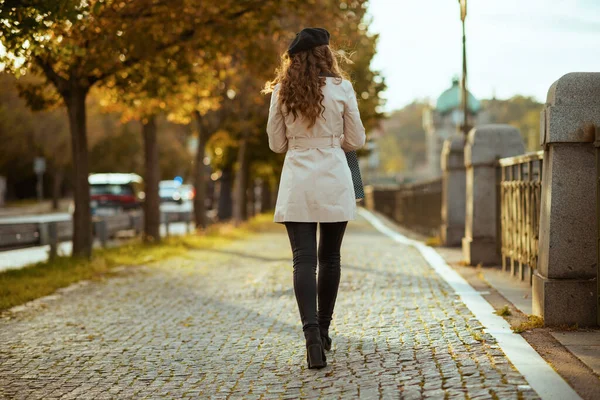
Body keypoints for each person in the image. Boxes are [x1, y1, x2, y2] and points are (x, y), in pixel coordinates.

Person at [263, 27, 366, 369]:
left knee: (303, 260)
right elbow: (356, 140)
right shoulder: (342, 89)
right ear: (327, 55)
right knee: (331, 257)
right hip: (334, 178)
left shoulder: (281, 92)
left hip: (298, 181)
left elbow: (277, 145)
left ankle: (310, 340)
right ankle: (323, 331)